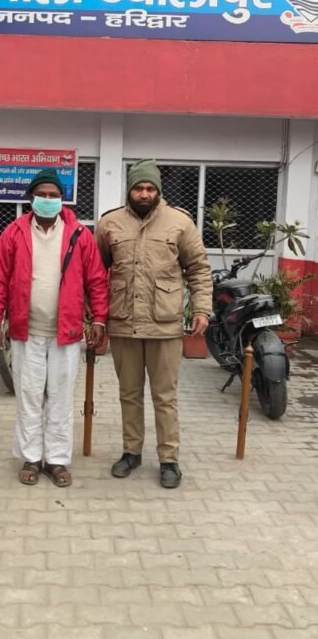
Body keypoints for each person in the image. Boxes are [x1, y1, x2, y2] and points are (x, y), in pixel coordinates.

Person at [0, 169, 108, 487]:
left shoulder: (79, 234)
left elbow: (96, 280)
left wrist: (98, 319)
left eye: (54, 195)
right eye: (43, 195)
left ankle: (57, 460)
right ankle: (31, 457)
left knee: (60, 397)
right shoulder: (14, 233)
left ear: (63, 199)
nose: (48, 200)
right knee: (28, 396)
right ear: (31, 198)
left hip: (66, 333)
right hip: (26, 331)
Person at [96, 158, 212, 489]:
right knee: (129, 394)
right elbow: (96, 272)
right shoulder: (109, 224)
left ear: (158, 190)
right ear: (129, 190)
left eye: (150, 188)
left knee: (165, 397)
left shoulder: (180, 223)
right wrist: (96, 318)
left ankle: (169, 460)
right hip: (124, 324)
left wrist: (201, 308)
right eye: (138, 188)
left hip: (165, 325)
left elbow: (198, 269)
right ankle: (131, 452)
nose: (144, 194)